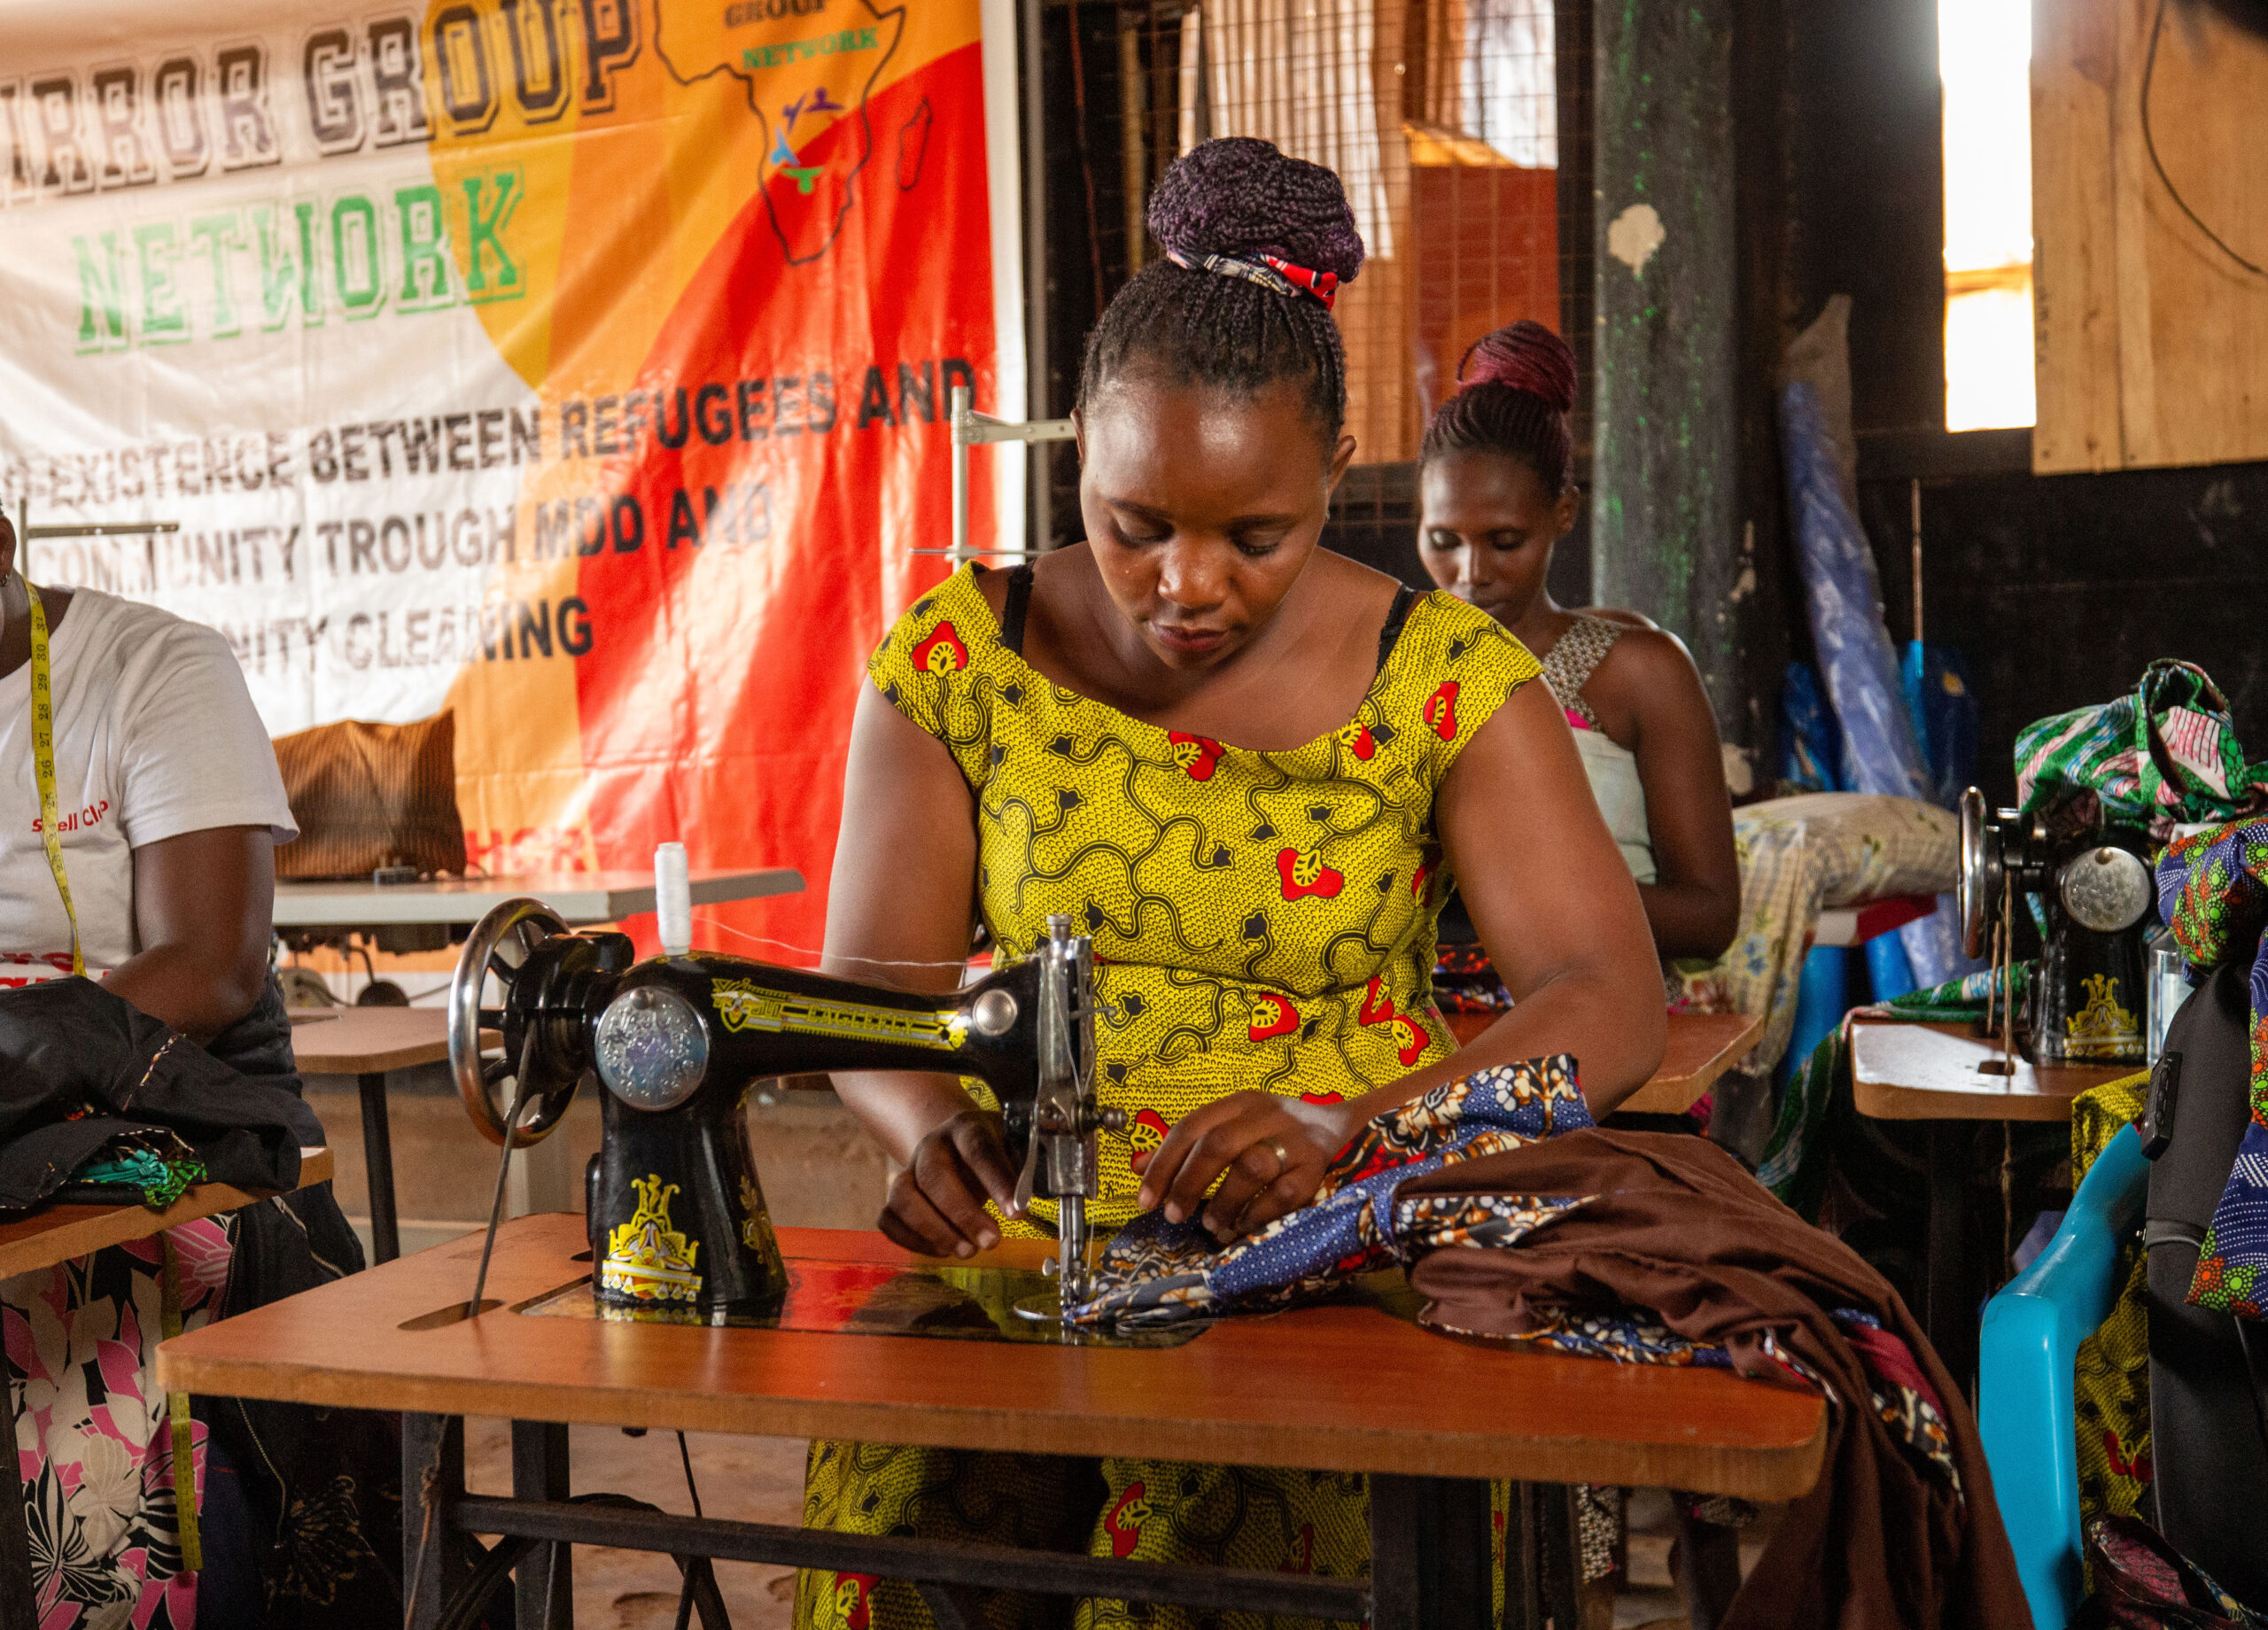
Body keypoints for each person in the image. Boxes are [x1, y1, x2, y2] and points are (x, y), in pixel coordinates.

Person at [801, 138, 1662, 1628]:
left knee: (1237, 1545)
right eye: (1134, 527)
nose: (1187, 585)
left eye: (1255, 538)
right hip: (1040, 1249)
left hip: (1342, 1247)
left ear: (1337, 470)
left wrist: (1352, 1131)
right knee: (905, 1534)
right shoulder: (962, 657)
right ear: (1081, 451)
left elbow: (1611, 1001)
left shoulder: (1446, 677)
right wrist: (932, 1128)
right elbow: (875, 989)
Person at [0, 499, 395, 1627]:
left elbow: (213, 964)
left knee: (80, 1334)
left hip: (174, 1131)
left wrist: (21, 1056)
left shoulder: (154, 669)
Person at [1416, 322, 1740, 966]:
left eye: (1505, 541)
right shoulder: (1396, 665)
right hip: (1426, 1010)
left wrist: (1511, 893)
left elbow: (1709, 919)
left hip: (1606, 1007)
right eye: (1444, 541)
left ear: (1563, 513)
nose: (1470, 574)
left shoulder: (1637, 673)